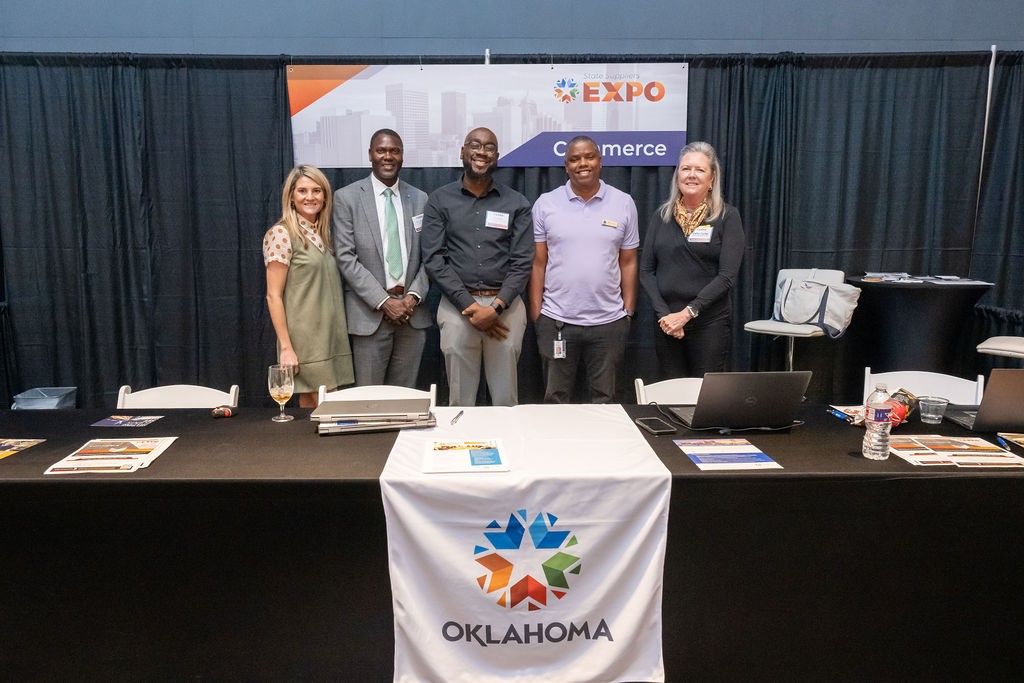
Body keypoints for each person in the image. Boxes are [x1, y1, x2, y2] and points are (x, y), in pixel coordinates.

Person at [420, 127, 534, 406]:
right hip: (458, 308)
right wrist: (471, 308)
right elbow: (434, 258)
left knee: (506, 398)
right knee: (460, 398)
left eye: (489, 147)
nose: (482, 152)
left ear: (496, 157)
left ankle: (508, 447)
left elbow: (522, 262)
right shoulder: (439, 200)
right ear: (463, 151)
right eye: (475, 145)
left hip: (505, 307)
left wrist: (495, 309)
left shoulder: (516, 203)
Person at [529, 135, 639, 403]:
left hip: (608, 323)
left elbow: (629, 261)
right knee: (556, 399)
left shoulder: (623, 202)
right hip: (558, 321)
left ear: (600, 161)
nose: (583, 163)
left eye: (589, 156)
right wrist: (538, 315)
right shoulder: (546, 203)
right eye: (574, 159)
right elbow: (538, 263)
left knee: (605, 400)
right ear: (566, 166)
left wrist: (628, 311)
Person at [332, 129, 429, 387]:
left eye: (394, 151)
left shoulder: (420, 199)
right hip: (369, 315)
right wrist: (385, 301)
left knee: (406, 400)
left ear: (402, 157)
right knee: (369, 402)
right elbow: (345, 257)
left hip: (412, 315)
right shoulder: (347, 198)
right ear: (370, 155)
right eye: (381, 150)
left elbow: (430, 257)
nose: (388, 156)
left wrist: (411, 298)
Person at [639, 141, 745, 378]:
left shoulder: (727, 217)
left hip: (709, 324)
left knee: (703, 397)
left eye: (699, 170)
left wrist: (687, 313)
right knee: (671, 395)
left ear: (712, 178)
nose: (691, 175)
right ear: (677, 174)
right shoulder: (661, 216)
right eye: (686, 169)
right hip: (666, 323)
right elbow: (646, 271)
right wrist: (664, 315)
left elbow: (727, 276)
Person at [264, 165, 354, 406]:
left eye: (317, 190)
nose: (310, 197)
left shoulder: (322, 234)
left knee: (312, 405)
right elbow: (273, 296)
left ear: (325, 197)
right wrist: (285, 347)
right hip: (305, 340)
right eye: (302, 191)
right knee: (328, 404)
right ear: (291, 197)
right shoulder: (281, 234)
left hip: (330, 335)